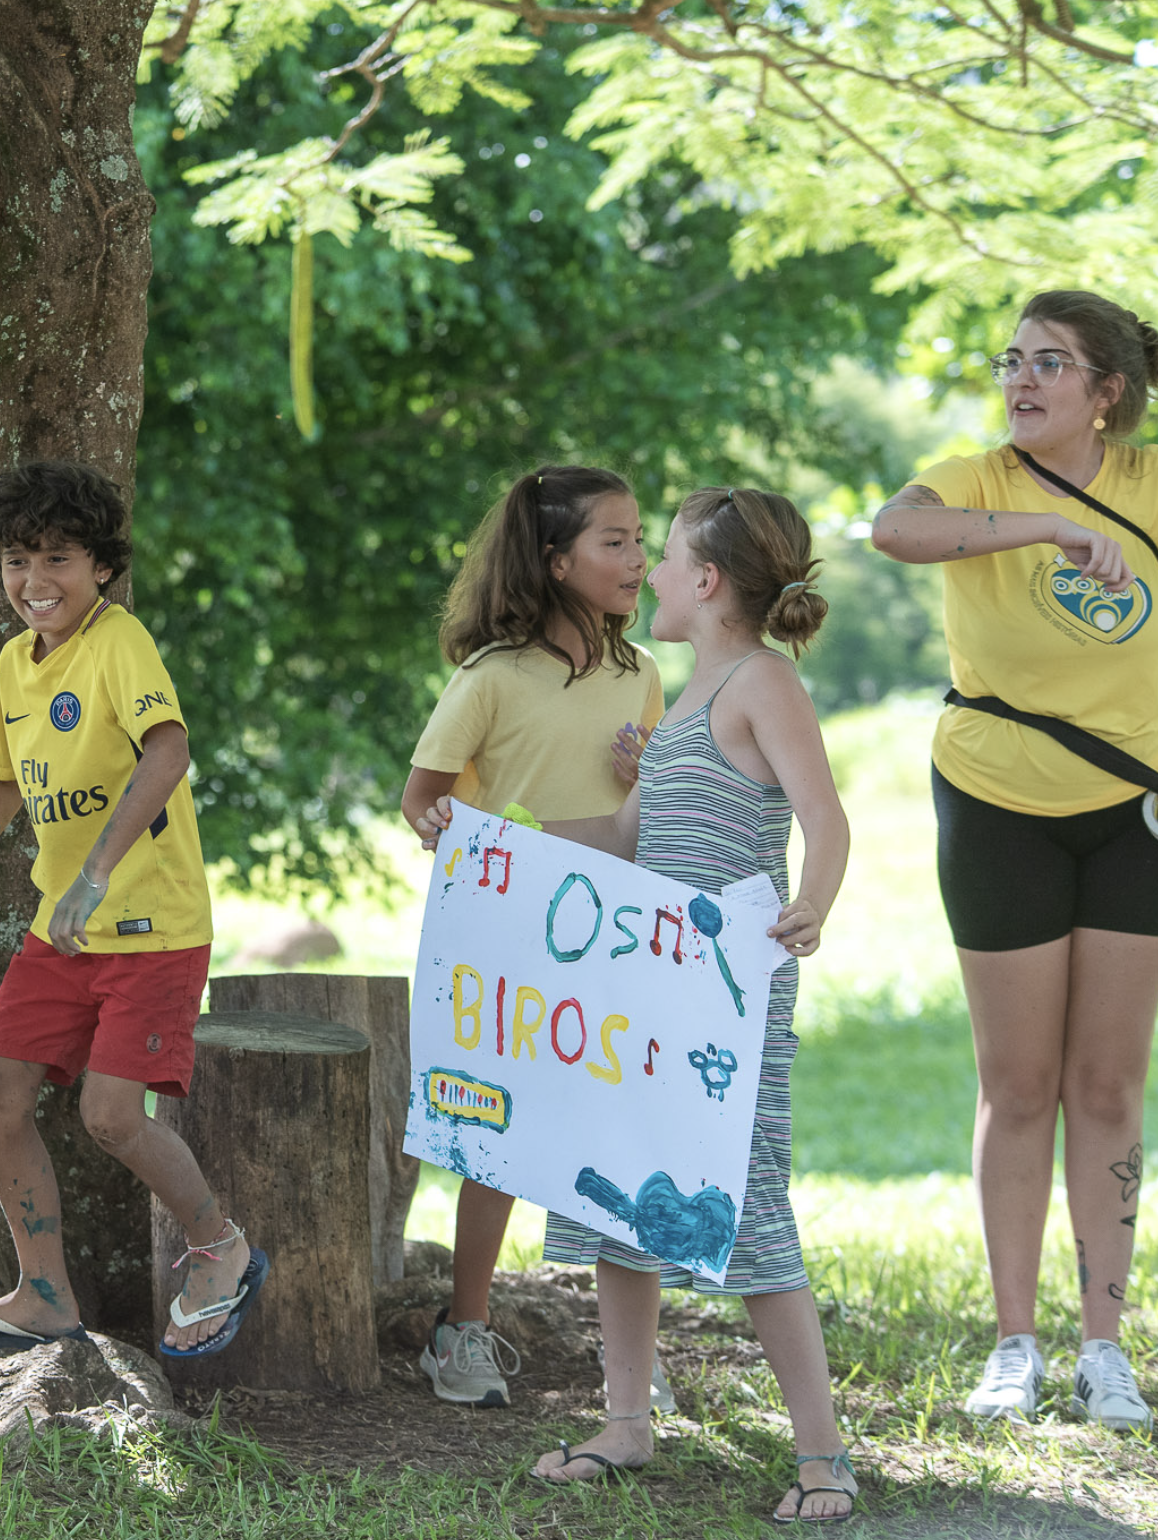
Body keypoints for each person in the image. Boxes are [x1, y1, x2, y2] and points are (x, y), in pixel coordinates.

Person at [515, 488, 854, 1523]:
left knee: (744, 1203)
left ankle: (823, 1454)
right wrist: (491, 844)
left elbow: (825, 818)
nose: (649, 573)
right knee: (624, 1199)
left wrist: (811, 903)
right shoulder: (685, 699)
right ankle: (624, 1422)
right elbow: (620, 842)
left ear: (704, 581)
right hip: (650, 996)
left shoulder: (762, 682)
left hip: (728, 1002)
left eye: (664, 557)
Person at [870, 289, 1157, 1433]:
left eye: (1049, 362)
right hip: (995, 802)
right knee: (1017, 1083)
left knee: (1107, 1084)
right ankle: (1012, 1344)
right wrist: (1041, 526)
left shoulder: (1146, 481)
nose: (1019, 380)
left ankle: (1103, 1346)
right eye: (1010, 359)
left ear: (1106, 392)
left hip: (1133, 812)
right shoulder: (970, 479)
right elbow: (892, 530)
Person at [0, 461, 263, 1360]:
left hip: (153, 928)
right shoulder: (14, 663)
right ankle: (43, 1293)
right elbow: (3, 781)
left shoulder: (119, 640)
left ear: (102, 566)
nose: (35, 581)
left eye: (58, 559)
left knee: (110, 1116)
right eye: (16, 561)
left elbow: (168, 751)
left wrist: (97, 872)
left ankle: (219, 1247)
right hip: (61, 932)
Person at [401, 464, 664, 1409]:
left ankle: (630, 1358)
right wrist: (446, 826)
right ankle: (462, 1329)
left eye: (641, 540)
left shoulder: (644, 676)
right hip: (514, 943)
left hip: (616, 943)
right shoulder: (491, 678)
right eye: (615, 542)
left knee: (618, 1134)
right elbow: (423, 801)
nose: (639, 559)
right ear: (556, 562)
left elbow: (645, 814)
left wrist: (649, 776)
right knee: (502, 1136)